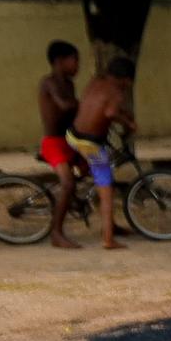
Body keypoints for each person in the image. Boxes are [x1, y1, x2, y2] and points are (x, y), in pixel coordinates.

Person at [66, 55, 138, 251]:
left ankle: (110, 225)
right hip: (90, 143)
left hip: (73, 134)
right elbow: (110, 112)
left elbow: (101, 106)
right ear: (125, 79)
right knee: (106, 189)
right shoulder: (117, 91)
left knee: (99, 173)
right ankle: (108, 239)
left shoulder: (97, 81)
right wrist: (128, 123)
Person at [36, 40, 86, 249]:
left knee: (99, 172)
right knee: (68, 184)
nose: (77, 66)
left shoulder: (70, 84)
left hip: (69, 140)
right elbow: (64, 106)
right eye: (74, 60)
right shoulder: (48, 83)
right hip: (53, 143)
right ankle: (56, 232)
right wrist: (88, 103)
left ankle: (110, 223)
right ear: (59, 61)